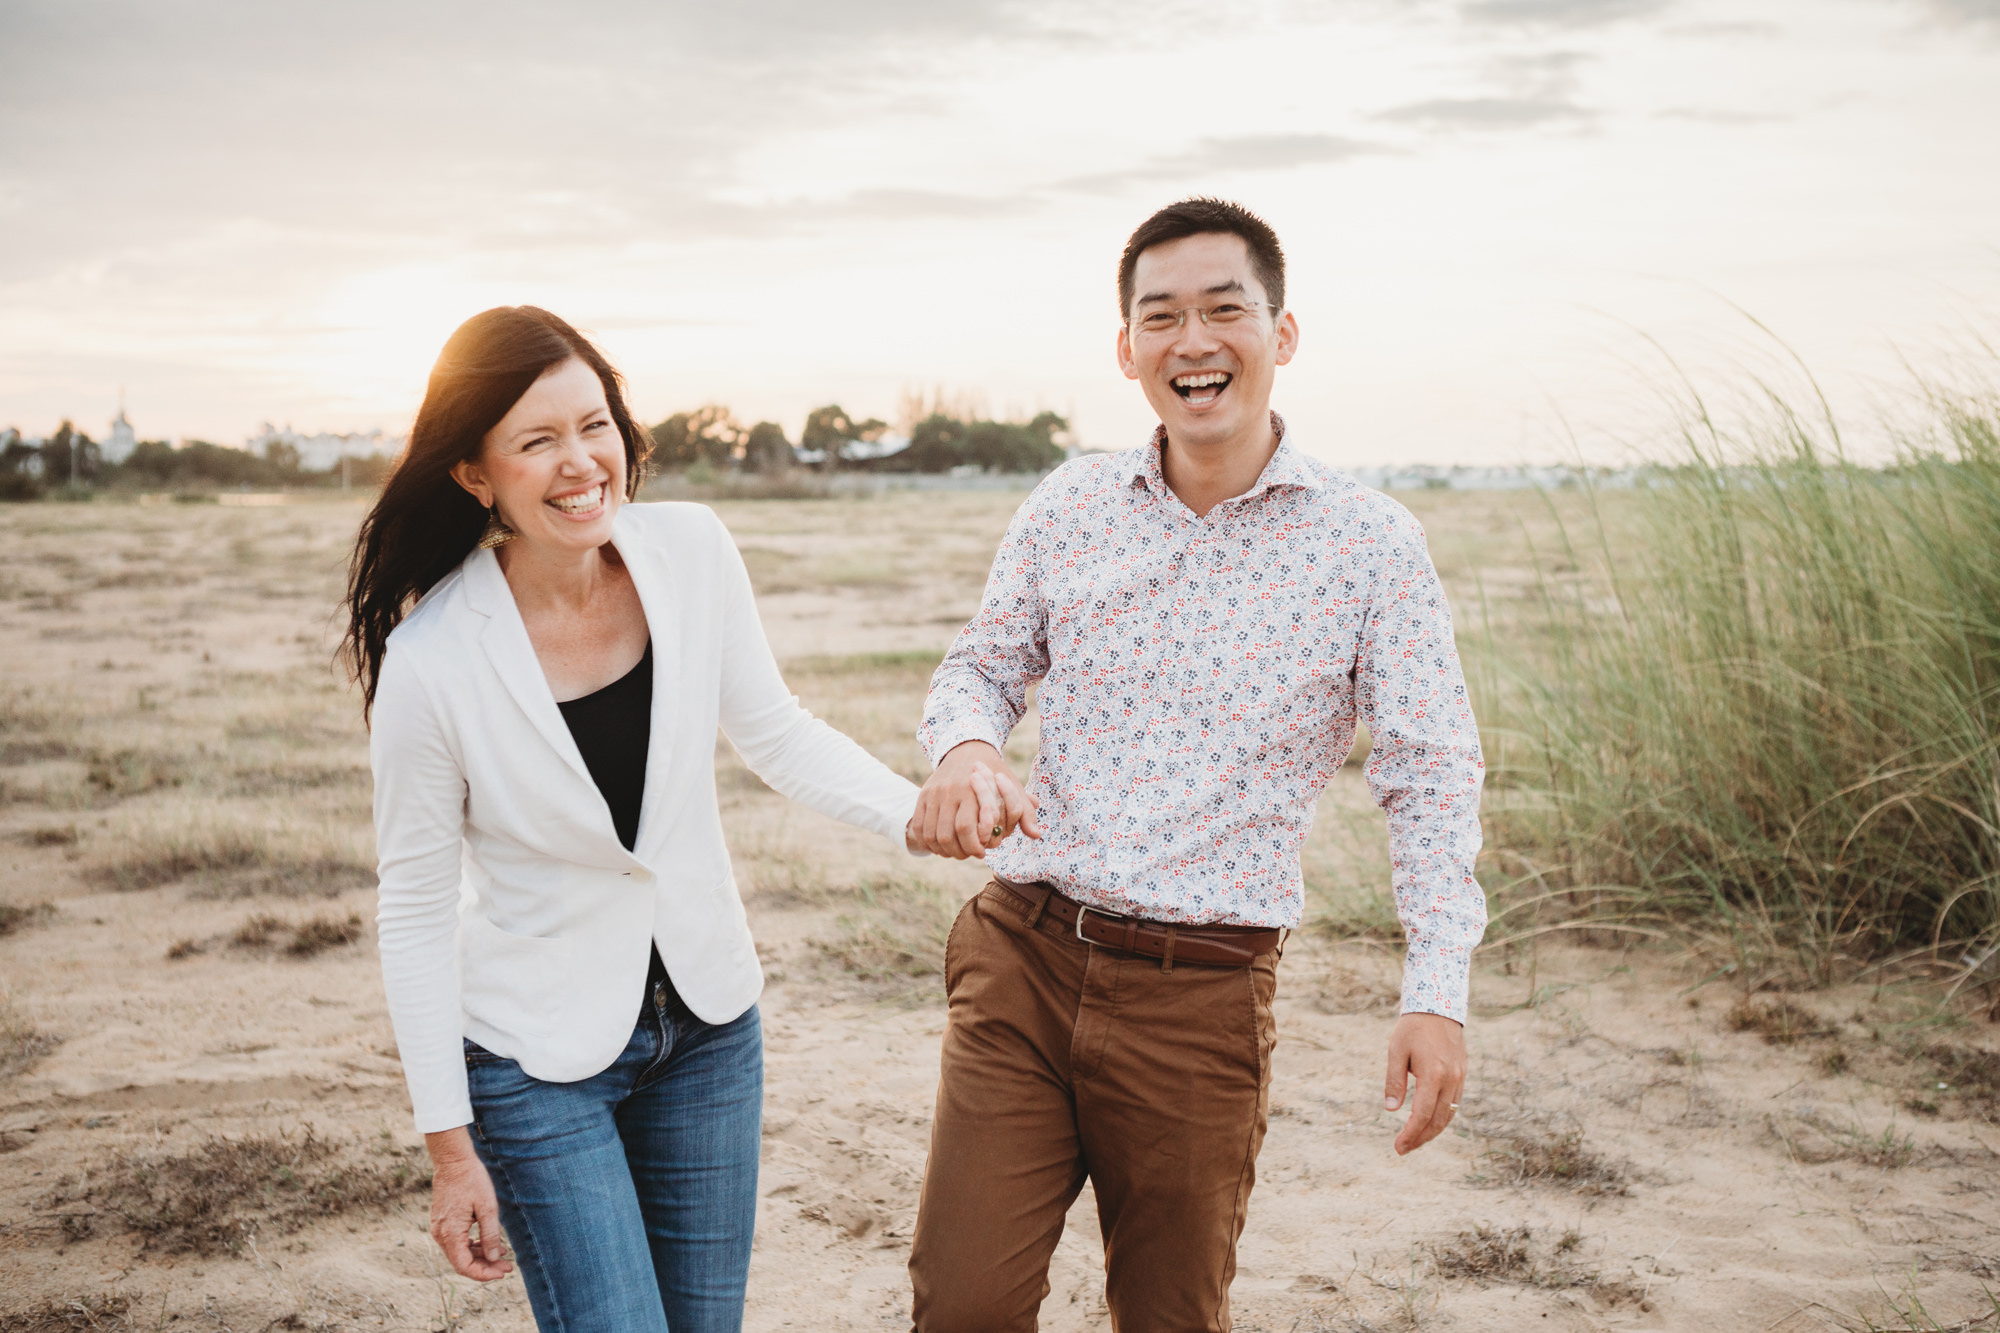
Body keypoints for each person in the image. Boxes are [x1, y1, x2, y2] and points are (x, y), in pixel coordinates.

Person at [904, 198, 1488, 1332]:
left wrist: (1435, 992)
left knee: (1170, 1316)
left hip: (1200, 996)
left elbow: (1426, 773)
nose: (1193, 341)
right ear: (1126, 349)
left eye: (1224, 310)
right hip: (1024, 955)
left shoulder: (1368, 544)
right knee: (961, 1305)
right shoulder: (1070, 504)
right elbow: (977, 668)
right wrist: (967, 751)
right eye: (1159, 316)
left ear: (1281, 333)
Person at [343, 306, 923, 1333]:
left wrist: (915, 817)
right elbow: (418, 909)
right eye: (535, 441)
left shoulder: (689, 548)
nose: (579, 463)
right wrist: (448, 1149)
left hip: (707, 1030)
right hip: (535, 1064)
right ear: (476, 476)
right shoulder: (432, 660)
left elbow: (776, 732)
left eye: (593, 423)